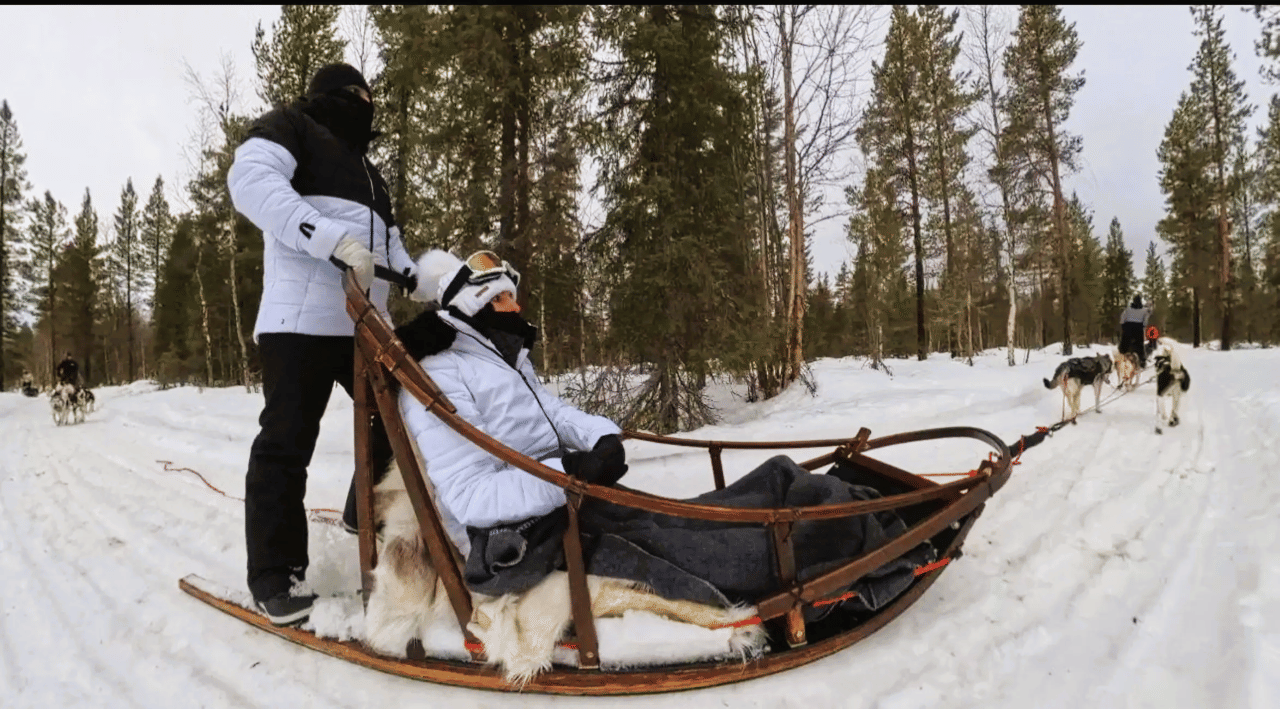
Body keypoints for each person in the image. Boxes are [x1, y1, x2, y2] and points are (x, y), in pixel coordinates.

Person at [394, 250, 930, 618]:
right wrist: (568, 474)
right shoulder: (440, 374)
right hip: (523, 536)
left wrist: (601, 440)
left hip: (566, 498)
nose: (517, 308)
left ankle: (813, 501)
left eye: (513, 297)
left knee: (690, 516)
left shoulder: (502, 358)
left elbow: (553, 414)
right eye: (503, 300)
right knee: (689, 546)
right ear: (473, 306)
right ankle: (838, 541)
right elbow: (470, 497)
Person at [227, 62, 431, 626]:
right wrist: (328, 238)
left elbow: (387, 242)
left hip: (364, 325)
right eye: (358, 94)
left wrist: (414, 274)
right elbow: (251, 182)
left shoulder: (370, 172)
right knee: (287, 444)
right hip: (299, 322)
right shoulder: (291, 126)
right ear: (332, 95)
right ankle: (276, 576)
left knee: (403, 418)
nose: (367, 102)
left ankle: (361, 511)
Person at [1118, 295, 1153, 368]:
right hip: (1138, 328)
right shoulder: (1144, 310)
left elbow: (1122, 319)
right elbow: (1145, 321)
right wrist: (1143, 326)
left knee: (1124, 344)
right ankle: (1142, 361)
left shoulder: (1127, 309)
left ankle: (1121, 357)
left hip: (1127, 328)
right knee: (1139, 345)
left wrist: (1123, 326)